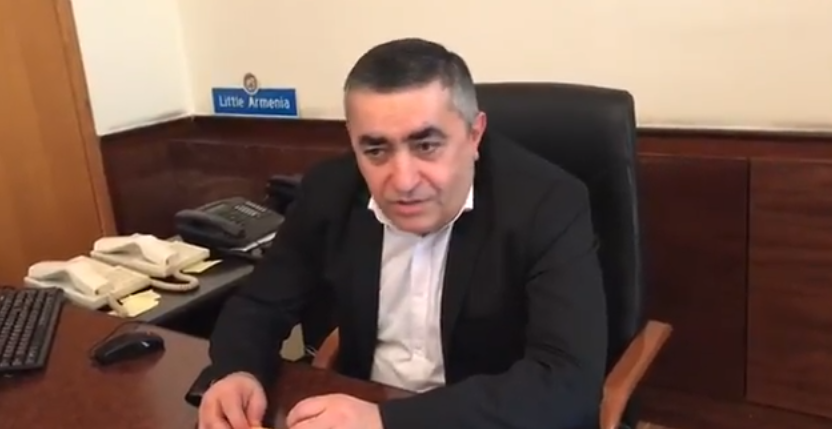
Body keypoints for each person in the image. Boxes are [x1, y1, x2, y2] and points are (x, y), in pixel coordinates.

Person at [197, 37, 608, 429]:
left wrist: (388, 421)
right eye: (376, 150)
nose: (404, 181)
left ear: (474, 134)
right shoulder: (329, 191)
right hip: (364, 403)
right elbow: (259, 305)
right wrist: (236, 372)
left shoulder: (547, 203)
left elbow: (566, 382)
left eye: (426, 146)